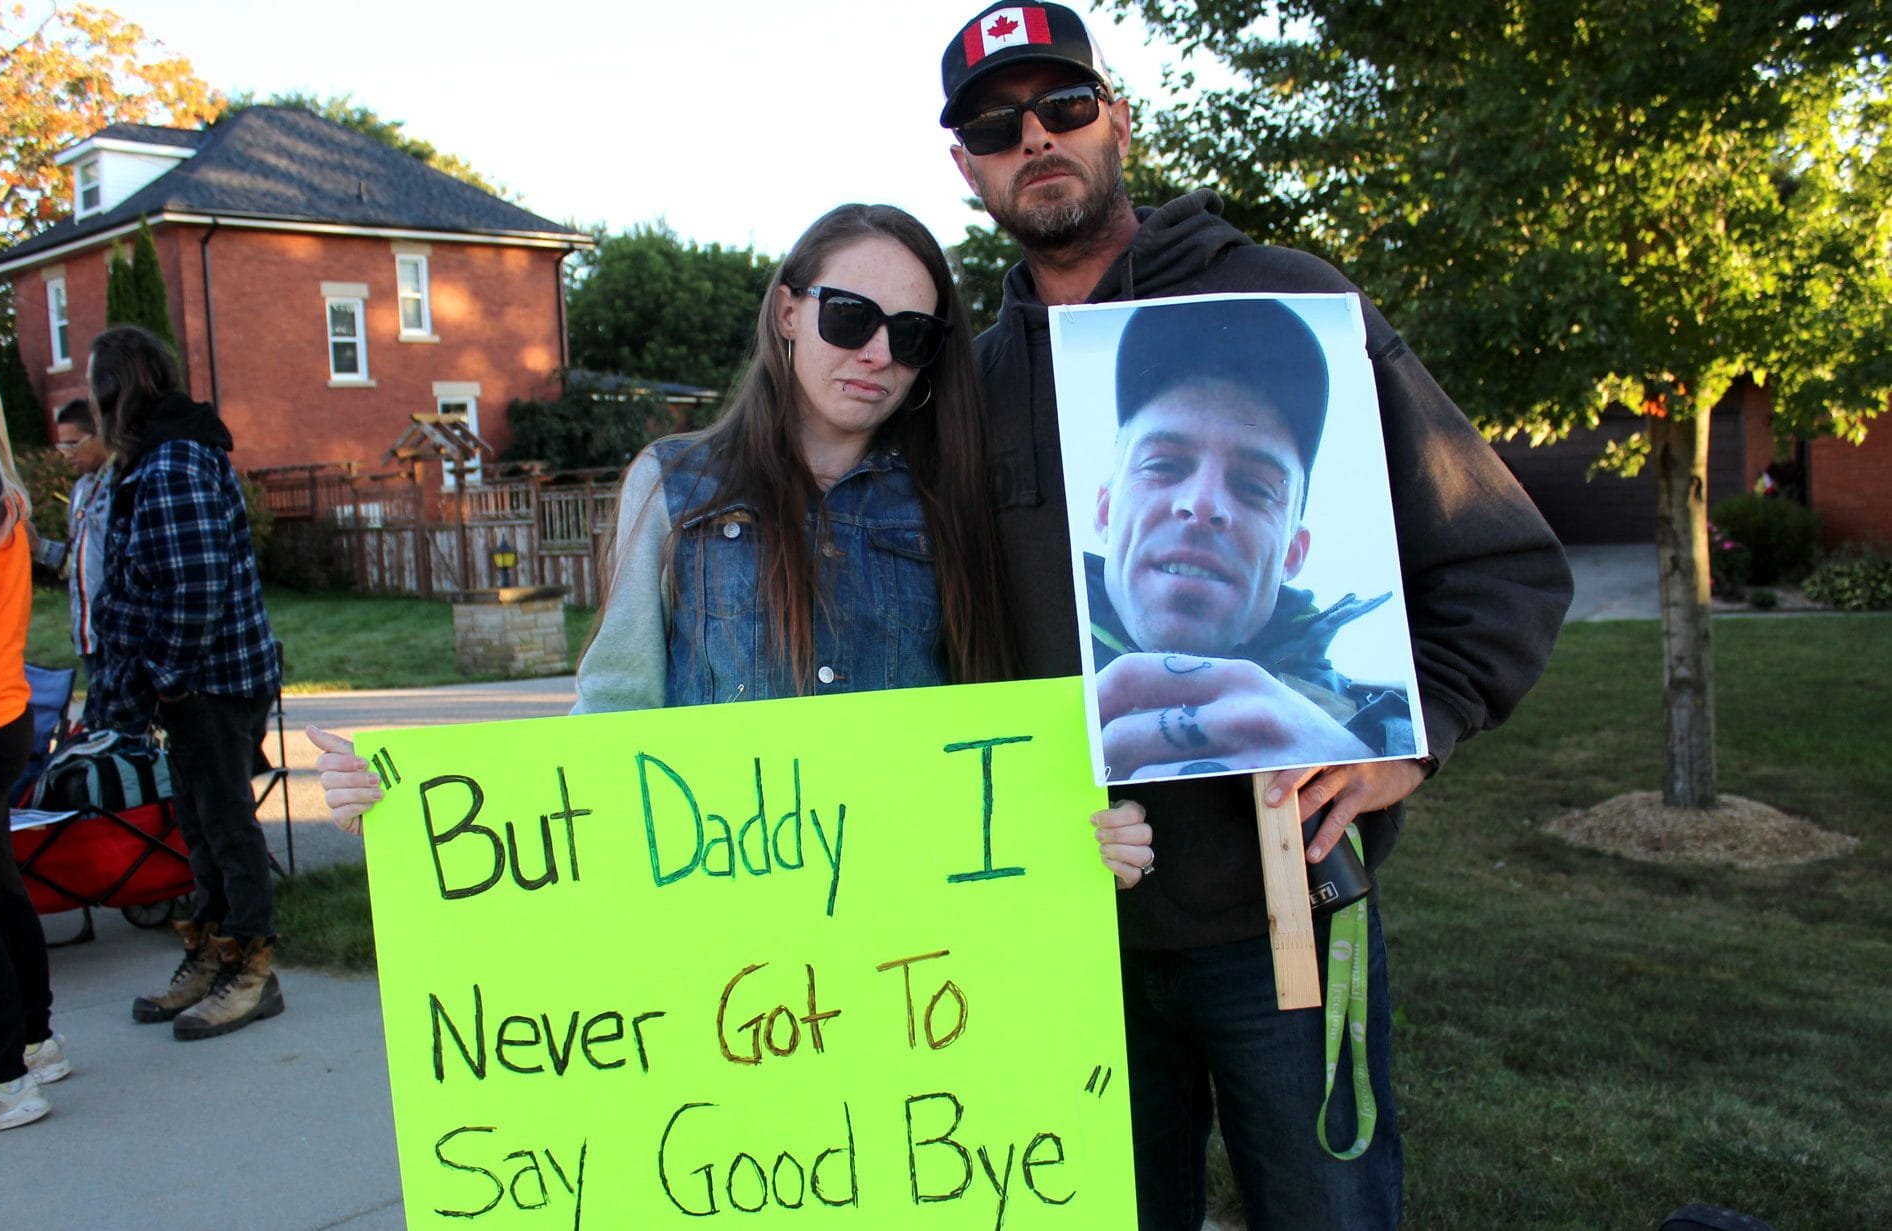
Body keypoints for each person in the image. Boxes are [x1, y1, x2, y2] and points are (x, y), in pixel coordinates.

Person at [938, 4, 1573, 1228]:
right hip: (1067, 940)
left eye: (1065, 105)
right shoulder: (970, 386)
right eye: (995, 124)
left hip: (1284, 924)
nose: (1037, 140)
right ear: (963, 164)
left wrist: (1411, 730)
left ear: (1118, 117)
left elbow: (1500, 566)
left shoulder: (1290, 298)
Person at [312, 203, 1158, 890]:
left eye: (911, 335)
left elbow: (994, 720)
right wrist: (410, 799)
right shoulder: (675, 485)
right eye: (852, 317)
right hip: (722, 935)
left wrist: (1078, 832)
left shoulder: (950, 502)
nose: (876, 353)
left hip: (913, 939)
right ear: (789, 310)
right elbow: (614, 716)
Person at [1086, 297, 1414, 782]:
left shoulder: (1378, 733)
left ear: (1293, 553)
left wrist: (1349, 773)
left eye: (1255, 487)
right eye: (1164, 465)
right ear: (1106, 511)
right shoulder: (1003, 660)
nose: (1202, 504)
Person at [82, 325, 286, 1042]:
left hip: (211, 683)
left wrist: (168, 677)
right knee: (198, 825)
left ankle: (252, 971)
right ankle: (208, 955)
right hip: (192, 684)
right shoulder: (158, 459)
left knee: (227, 825)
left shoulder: (171, 463)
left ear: (115, 393)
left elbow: (194, 585)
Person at [0, 383, 66, 1132]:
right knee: (0, 887)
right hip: (5, 709)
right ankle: (33, 1042)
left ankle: (5, 1075)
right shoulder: (7, 501)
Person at [55, 398, 113, 686]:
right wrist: (36, 546)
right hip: (88, 640)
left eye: (73, 444)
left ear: (101, 434)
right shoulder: (80, 490)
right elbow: (75, 558)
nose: (67, 455)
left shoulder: (121, 484)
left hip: (117, 641)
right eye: (62, 447)